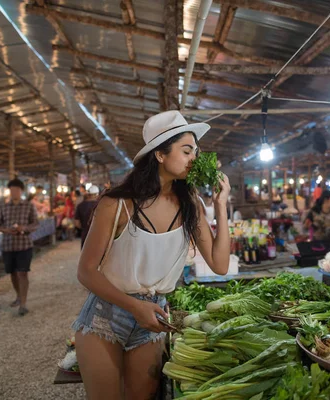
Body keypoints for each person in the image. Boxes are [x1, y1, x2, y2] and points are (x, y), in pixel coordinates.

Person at [72, 110, 231, 399]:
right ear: (159, 154)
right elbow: (85, 271)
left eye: (195, 151)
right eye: (186, 151)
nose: (194, 158)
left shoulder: (191, 204)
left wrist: (220, 206)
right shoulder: (117, 203)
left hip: (155, 317)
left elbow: (220, 265)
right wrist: (134, 307)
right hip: (106, 316)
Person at [0, 179, 39, 316]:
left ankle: (23, 304)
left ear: (21, 191)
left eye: (17, 190)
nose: (14, 192)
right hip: (8, 245)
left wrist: (23, 228)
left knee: (23, 272)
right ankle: (19, 296)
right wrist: (6, 230)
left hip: (24, 244)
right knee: (13, 273)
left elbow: (35, 224)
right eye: (12, 190)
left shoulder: (28, 206)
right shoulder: (3, 207)